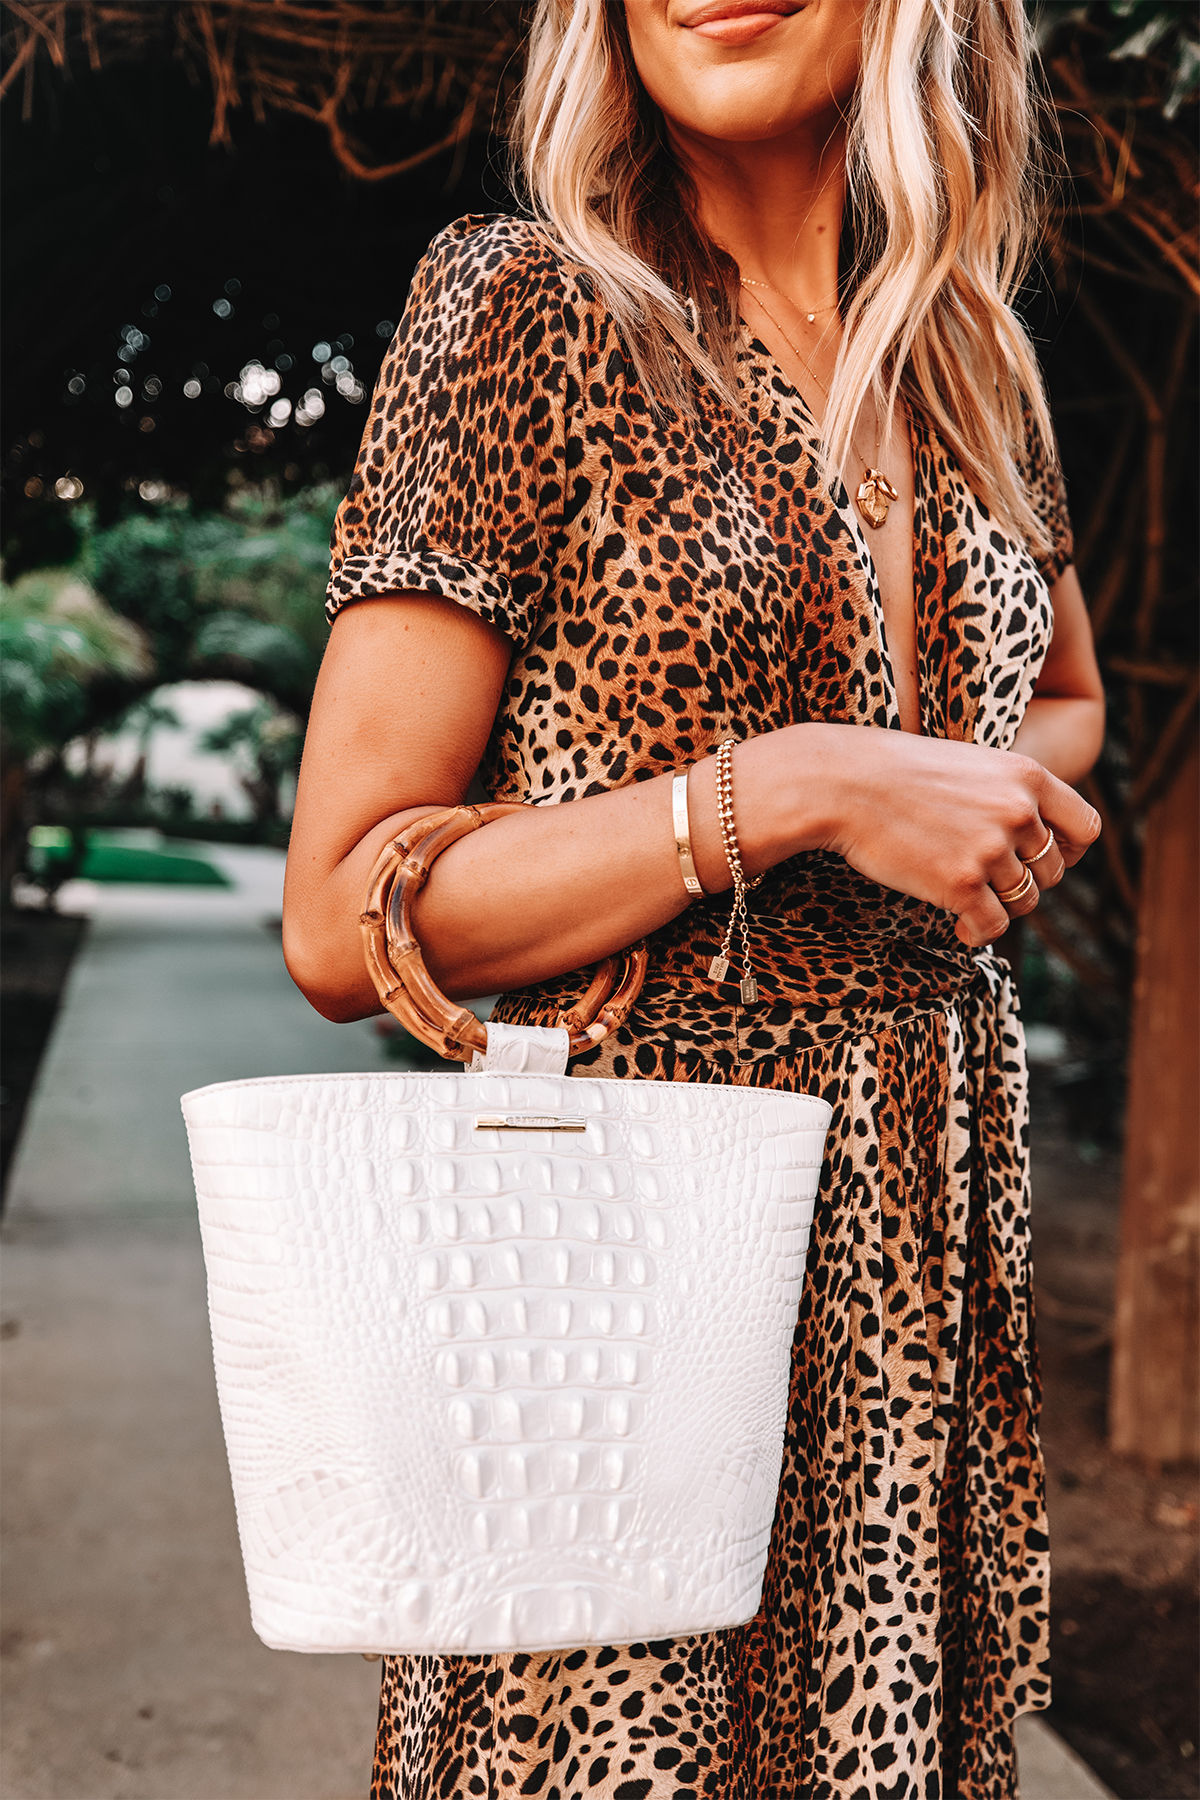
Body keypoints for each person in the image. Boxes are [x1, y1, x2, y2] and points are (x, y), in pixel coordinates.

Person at [283, 0, 1105, 1792]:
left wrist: (987, 807)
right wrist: (798, 790)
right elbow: (343, 915)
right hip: (622, 1270)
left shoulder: (967, 348)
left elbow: (1062, 685)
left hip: (918, 1254)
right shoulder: (524, 304)